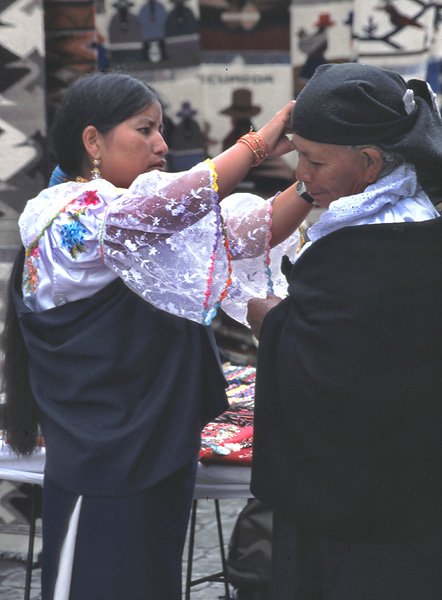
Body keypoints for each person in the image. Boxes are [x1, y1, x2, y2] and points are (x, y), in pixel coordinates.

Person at [1, 71, 313, 599]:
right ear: (93, 141)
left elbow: (246, 233)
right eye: (145, 130)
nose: (162, 145)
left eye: (161, 130)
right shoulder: (69, 214)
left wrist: (315, 178)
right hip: (104, 457)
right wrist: (257, 145)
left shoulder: (140, 221)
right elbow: (172, 205)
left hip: (152, 446)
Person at [247, 63, 442, 600]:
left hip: (358, 506)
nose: (301, 174)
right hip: (406, 486)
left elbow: (337, 368)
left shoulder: (373, 246)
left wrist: (275, 321)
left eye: (314, 160)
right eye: (298, 155)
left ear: (370, 162)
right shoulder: (410, 222)